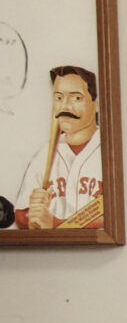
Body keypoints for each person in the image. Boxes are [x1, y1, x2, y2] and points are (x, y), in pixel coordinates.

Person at [13, 66, 105, 229]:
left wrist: (56, 224)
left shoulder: (110, 150)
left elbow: (116, 217)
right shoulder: (45, 154)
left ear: (96, 104)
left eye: (76, 98)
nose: (65, 106)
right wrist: (33, 214)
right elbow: (20, 215)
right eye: (59, 98)